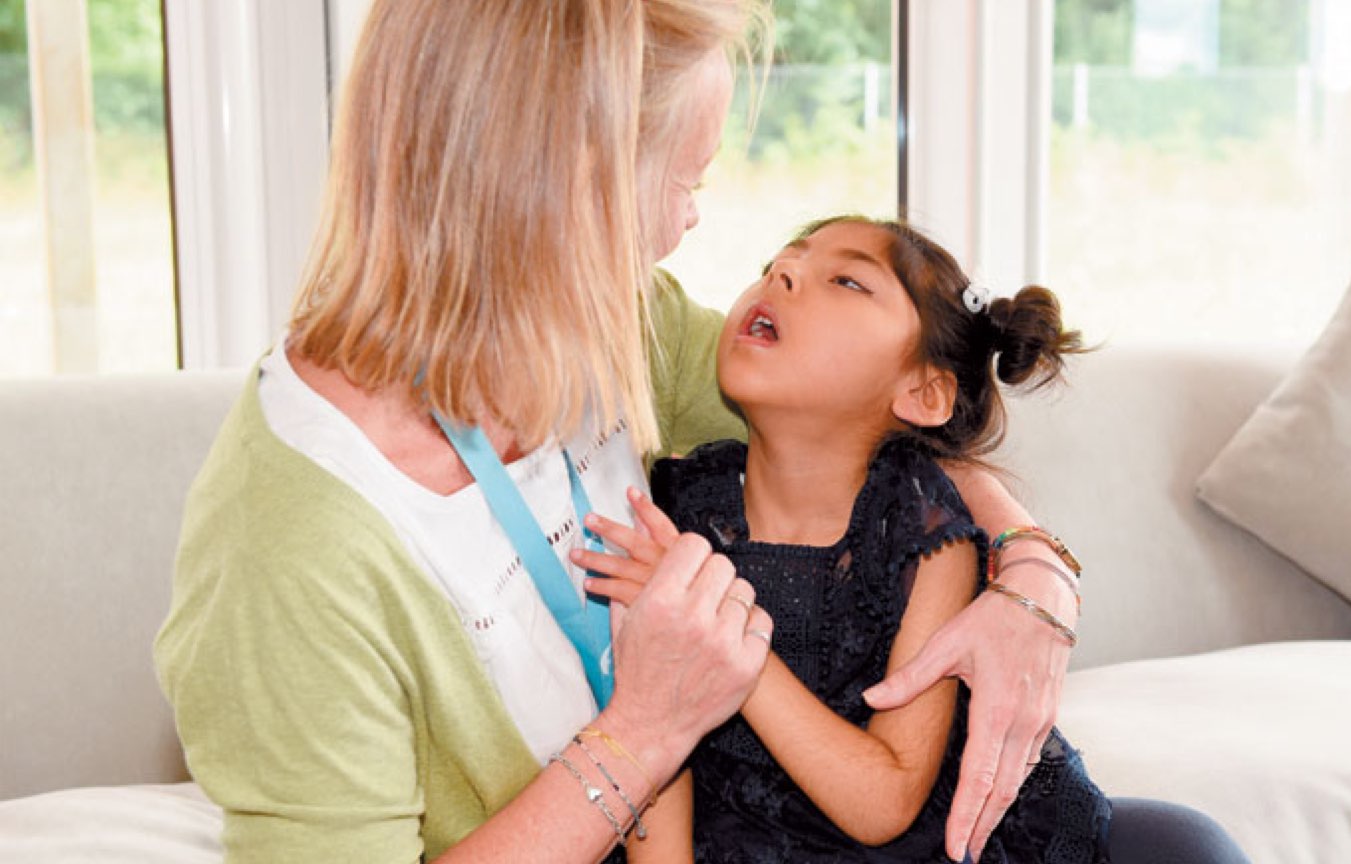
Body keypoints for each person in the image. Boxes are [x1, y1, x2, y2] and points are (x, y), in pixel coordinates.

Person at [151, 1, 1105, 862]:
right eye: (680, 180)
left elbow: (872, 436)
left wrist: (1032, 573)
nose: (687, 226)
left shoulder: (605, 322)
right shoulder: (289, 546)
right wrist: (646, 730)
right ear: (560, 185)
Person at [580, 216, 1251, 863]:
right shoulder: (680, 505)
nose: (781, 271)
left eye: (847, 282)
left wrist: (726, 641)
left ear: (925, 394)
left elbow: (884, 804)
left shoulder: (926, 539)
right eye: (779, 262)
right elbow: (655, 753)